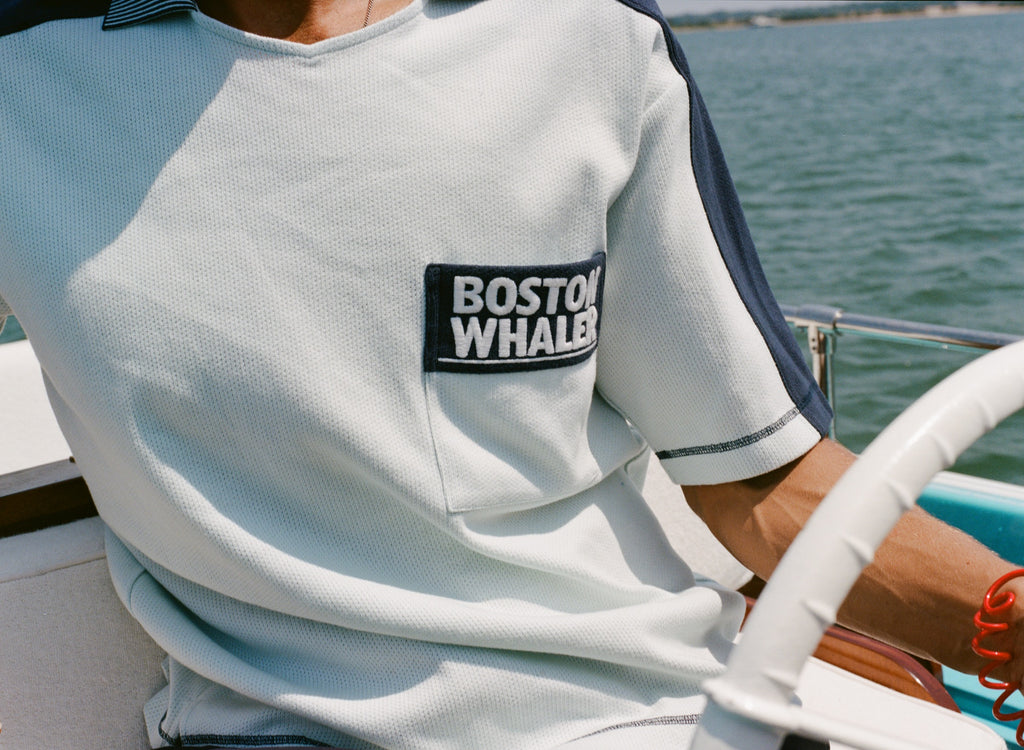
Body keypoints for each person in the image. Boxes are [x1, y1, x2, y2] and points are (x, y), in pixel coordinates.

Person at [1, 0, 1021, 747]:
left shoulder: (584, 37)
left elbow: (757, 482)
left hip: (660, 720)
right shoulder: (21, 71)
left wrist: (1012, 624)